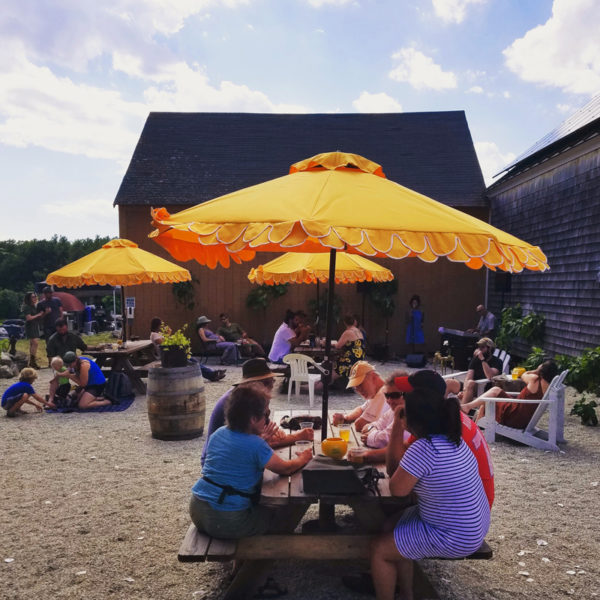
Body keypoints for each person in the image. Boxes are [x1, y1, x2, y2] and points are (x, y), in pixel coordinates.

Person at [370, 387, 490, 600]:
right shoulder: (454, 439)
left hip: (456, 536)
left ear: (415, 419)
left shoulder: (424, 448)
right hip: (473, 526)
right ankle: (407, 594)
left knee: (380, 550)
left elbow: (397, 490)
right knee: (390, 526)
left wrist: (397, 425)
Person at [190, 382, 313, 538]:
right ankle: (256, 560)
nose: (267, 420)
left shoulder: (219, 433)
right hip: (227, 520)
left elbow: (236, 454)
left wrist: (261, 442)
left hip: (197, 510)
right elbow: (285, 469)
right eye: (265, 416)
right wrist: (304, 458)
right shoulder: (256, 444)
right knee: (283, 512)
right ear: (253, 419)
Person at [201, 358, 314, 466]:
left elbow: (268, 436)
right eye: (270, 382)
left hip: (233, 453)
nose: (273, 385)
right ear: (259, 384)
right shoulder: (242, 401)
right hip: (221, 460)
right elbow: (257, 443)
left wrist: (294, 437)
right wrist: (297, 437)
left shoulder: (250, 396)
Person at [461, 360, 559, 429]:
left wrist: (535, 371)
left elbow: (524, 375)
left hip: (514, 416)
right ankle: (469, 409)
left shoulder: (535, 379)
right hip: (523, 416)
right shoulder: (548, 385)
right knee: (495, 390)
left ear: (541, 370)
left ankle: (475, 426)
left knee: (489, 398)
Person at [150, 317, 225, 382]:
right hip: (167, 358)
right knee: (191, 363)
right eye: (161, 324)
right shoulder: (154, 335)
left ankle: (212, 374)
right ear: (157, 325)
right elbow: (166, 343)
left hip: (172, 355)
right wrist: (169, 334)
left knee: (194, 360)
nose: (162, 326)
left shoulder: (159, 334)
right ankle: (212, 375)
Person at [332, 361, 388, 433]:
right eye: (355, 387)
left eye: (360, 384)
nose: (358, 390)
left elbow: (359, 425)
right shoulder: (376, 392)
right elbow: (361, 409)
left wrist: (346, 422)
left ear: (373, 377)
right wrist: (345, 418)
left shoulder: (383, 392)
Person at [457, 337, 503, 406]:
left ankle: (462, 413)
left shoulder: (497, 361)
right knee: (450, 382)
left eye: (482, 347)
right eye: (479, 347)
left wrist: (482, 360)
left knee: (470, 383)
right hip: (471, 387)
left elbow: (490, 376)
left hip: (485, 389)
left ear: (489, 349)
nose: (479, 349)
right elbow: (469, 377)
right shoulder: (475, 359)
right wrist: (464, 390)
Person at [333, 315, 366, 386]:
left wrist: (331, 343)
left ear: (345, 323)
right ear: (355, 322)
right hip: (359, 360)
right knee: (338, 359)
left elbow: (338, 346)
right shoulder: (359, 331)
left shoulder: (348, 332)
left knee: (334, 365)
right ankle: (336, 382)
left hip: (351, 361)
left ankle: (324, 382)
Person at [22, 292, 44, 369]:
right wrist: (38, 315)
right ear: (29, 298)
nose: (35, 298)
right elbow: (29, 318)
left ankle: (32, 362)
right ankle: (32, 361)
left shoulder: (34, 306)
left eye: (35, 296)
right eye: (33, 297)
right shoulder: (27, 307)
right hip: (30, 326)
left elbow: (36, 316)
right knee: (35, 343)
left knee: (33, 344)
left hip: (35, 325)